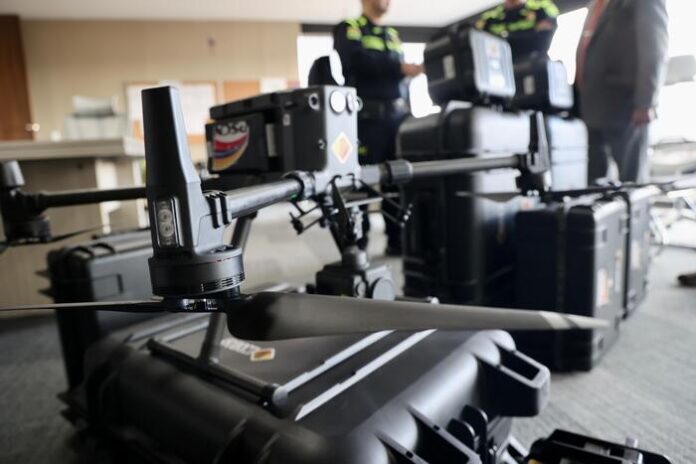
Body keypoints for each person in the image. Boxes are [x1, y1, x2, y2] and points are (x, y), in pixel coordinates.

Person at [334, 0, 423, 255]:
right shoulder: (349, 27)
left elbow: (401, 81)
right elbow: (355, 62)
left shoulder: (392, 34)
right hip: (365, 121)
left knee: (396, 181)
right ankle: (356, 246)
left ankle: (396, 241)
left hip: (396, 120)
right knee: (361, 183)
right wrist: (398, 68)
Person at [576, 0, 669, 183]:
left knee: (632, 182)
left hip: (627, 105)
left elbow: (654, 47)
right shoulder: (598, 4)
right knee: (595, 185)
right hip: (592, 106)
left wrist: (645, 102)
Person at [476, 0, 559, 60]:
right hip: (503, 64)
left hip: (534, 62)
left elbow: (542, 42)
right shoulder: (489, 18)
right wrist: (532, 31)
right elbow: (482, 45)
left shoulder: (541, 7)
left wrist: (506, 37)